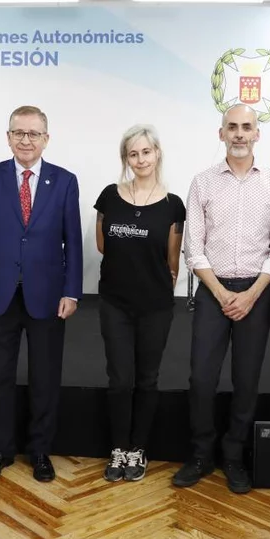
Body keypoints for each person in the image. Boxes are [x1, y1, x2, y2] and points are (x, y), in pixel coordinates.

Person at [174, 103, 270, 494]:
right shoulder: (202, 183)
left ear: (258, 134)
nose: (239, 134)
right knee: (201, 378)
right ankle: (202, 454)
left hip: (257, 293)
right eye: (232, 127)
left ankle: (234, 456)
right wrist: (224, 293)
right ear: (220, 133)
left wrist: (251, 294)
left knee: (246, 379)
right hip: (213, 291)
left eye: (247, 127)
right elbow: (194, 249)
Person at [0, 105, 82, 483]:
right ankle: (0, 450)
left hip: (48, 295)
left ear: (46, 139)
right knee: (0, 376)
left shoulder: (65, 181)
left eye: (34, 134)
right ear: (8, 136)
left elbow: (73, 244)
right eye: (19, 132)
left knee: (45, 377)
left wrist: (73, 292)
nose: (26, 140)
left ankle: (40, 452)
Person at [95, 124, 185, 482]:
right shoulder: (109, 196)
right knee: (119, 379)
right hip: (114, 302)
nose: (140, 159)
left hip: (155, 306)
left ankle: (138, 449)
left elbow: (172, 262)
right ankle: (118, 448)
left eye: (146, 152)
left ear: (157, 153)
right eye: (133, 154)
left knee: (147, 380)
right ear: (125, 159)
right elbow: (103, 245)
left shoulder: (172, 205)